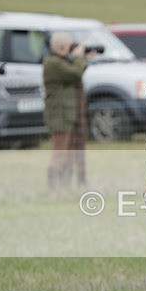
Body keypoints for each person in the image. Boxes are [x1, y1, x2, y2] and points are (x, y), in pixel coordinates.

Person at [42, 32, 94, 191]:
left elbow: (73, 72)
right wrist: (79, 58)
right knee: (60, 153)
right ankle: (54, 186)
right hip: (59, 115)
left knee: (66, 153)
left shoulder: (59, 62)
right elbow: (75, 73)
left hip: (65, 115)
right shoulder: (53, 63)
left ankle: (63, 185)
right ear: (62, 47)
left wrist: (83, 59)